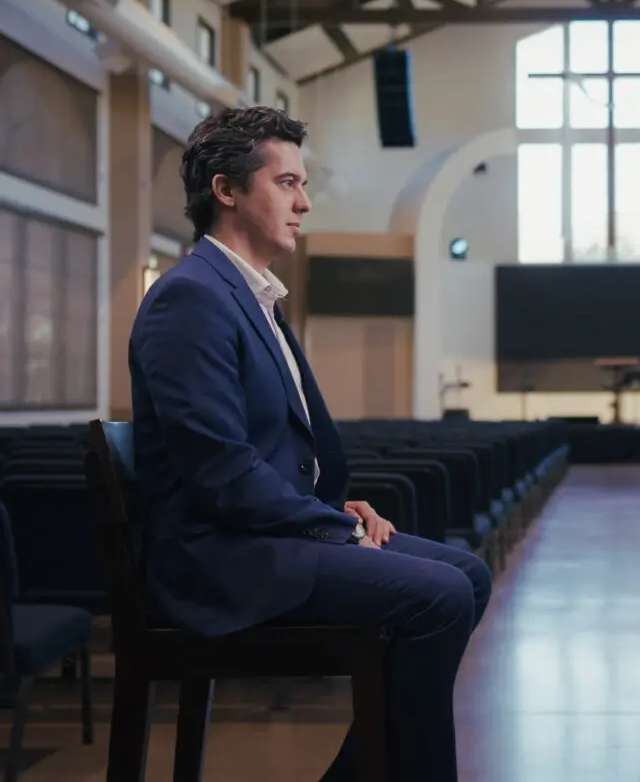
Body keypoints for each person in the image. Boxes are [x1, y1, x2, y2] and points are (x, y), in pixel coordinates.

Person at [128, 106, 491, 782]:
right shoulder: (192, 299)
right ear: (227, 191)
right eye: (288, 183)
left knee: (468, 575)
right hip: (220, 559)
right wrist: (328, 529)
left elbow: (270, 448)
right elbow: (220, 466)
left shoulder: (250, 295)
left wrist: (339, 507)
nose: (305, 201)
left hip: (264, 536)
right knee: (439, 597)